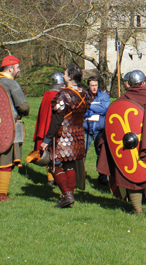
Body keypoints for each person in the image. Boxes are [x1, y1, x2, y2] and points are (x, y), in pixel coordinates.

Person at [99, 70, 146, 215]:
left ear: (127, 84)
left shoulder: (119, 103)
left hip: (127, 150)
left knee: (131, 177)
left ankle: (137, 210)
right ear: (143, 83)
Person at [39, 64, 91, 208]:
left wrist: (46, 140)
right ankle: (69, 195)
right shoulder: (84, 94)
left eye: (65, 73)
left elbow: (56, 120)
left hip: (63, 136)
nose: (62, 76)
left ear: (71, 77)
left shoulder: (63, 95)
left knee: (54, 164)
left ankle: (67, 195)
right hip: (78, 135)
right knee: (69, 165)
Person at [0, 55, 30, 202]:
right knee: (6, 161)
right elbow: (23, 106)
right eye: (17, 68)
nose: (18, 71)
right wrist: (27, 110)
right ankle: (1, 195)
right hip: (10, 127)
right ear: (11, 68)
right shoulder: (12, 84)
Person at [32, 72, 64, 186]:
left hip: (46, 126)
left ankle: (51, 178)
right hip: (53, 127)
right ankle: (53, 178)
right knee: (54, 153)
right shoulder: (59, 95)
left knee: (50, 152)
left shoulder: (46, 94)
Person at [83, 76, 111, 185]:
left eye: (95, 85)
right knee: (82, 154)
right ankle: (79, 176)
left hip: (100, 130)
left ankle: (102, 177)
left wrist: (89, 105)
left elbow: (104, 109)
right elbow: (81, 109)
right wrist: (95, 107)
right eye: (92, 85)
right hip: (86, 129)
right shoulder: (83, 95)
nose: (94, 88)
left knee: (101, 154)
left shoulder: (104, 95)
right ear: (88, 86)